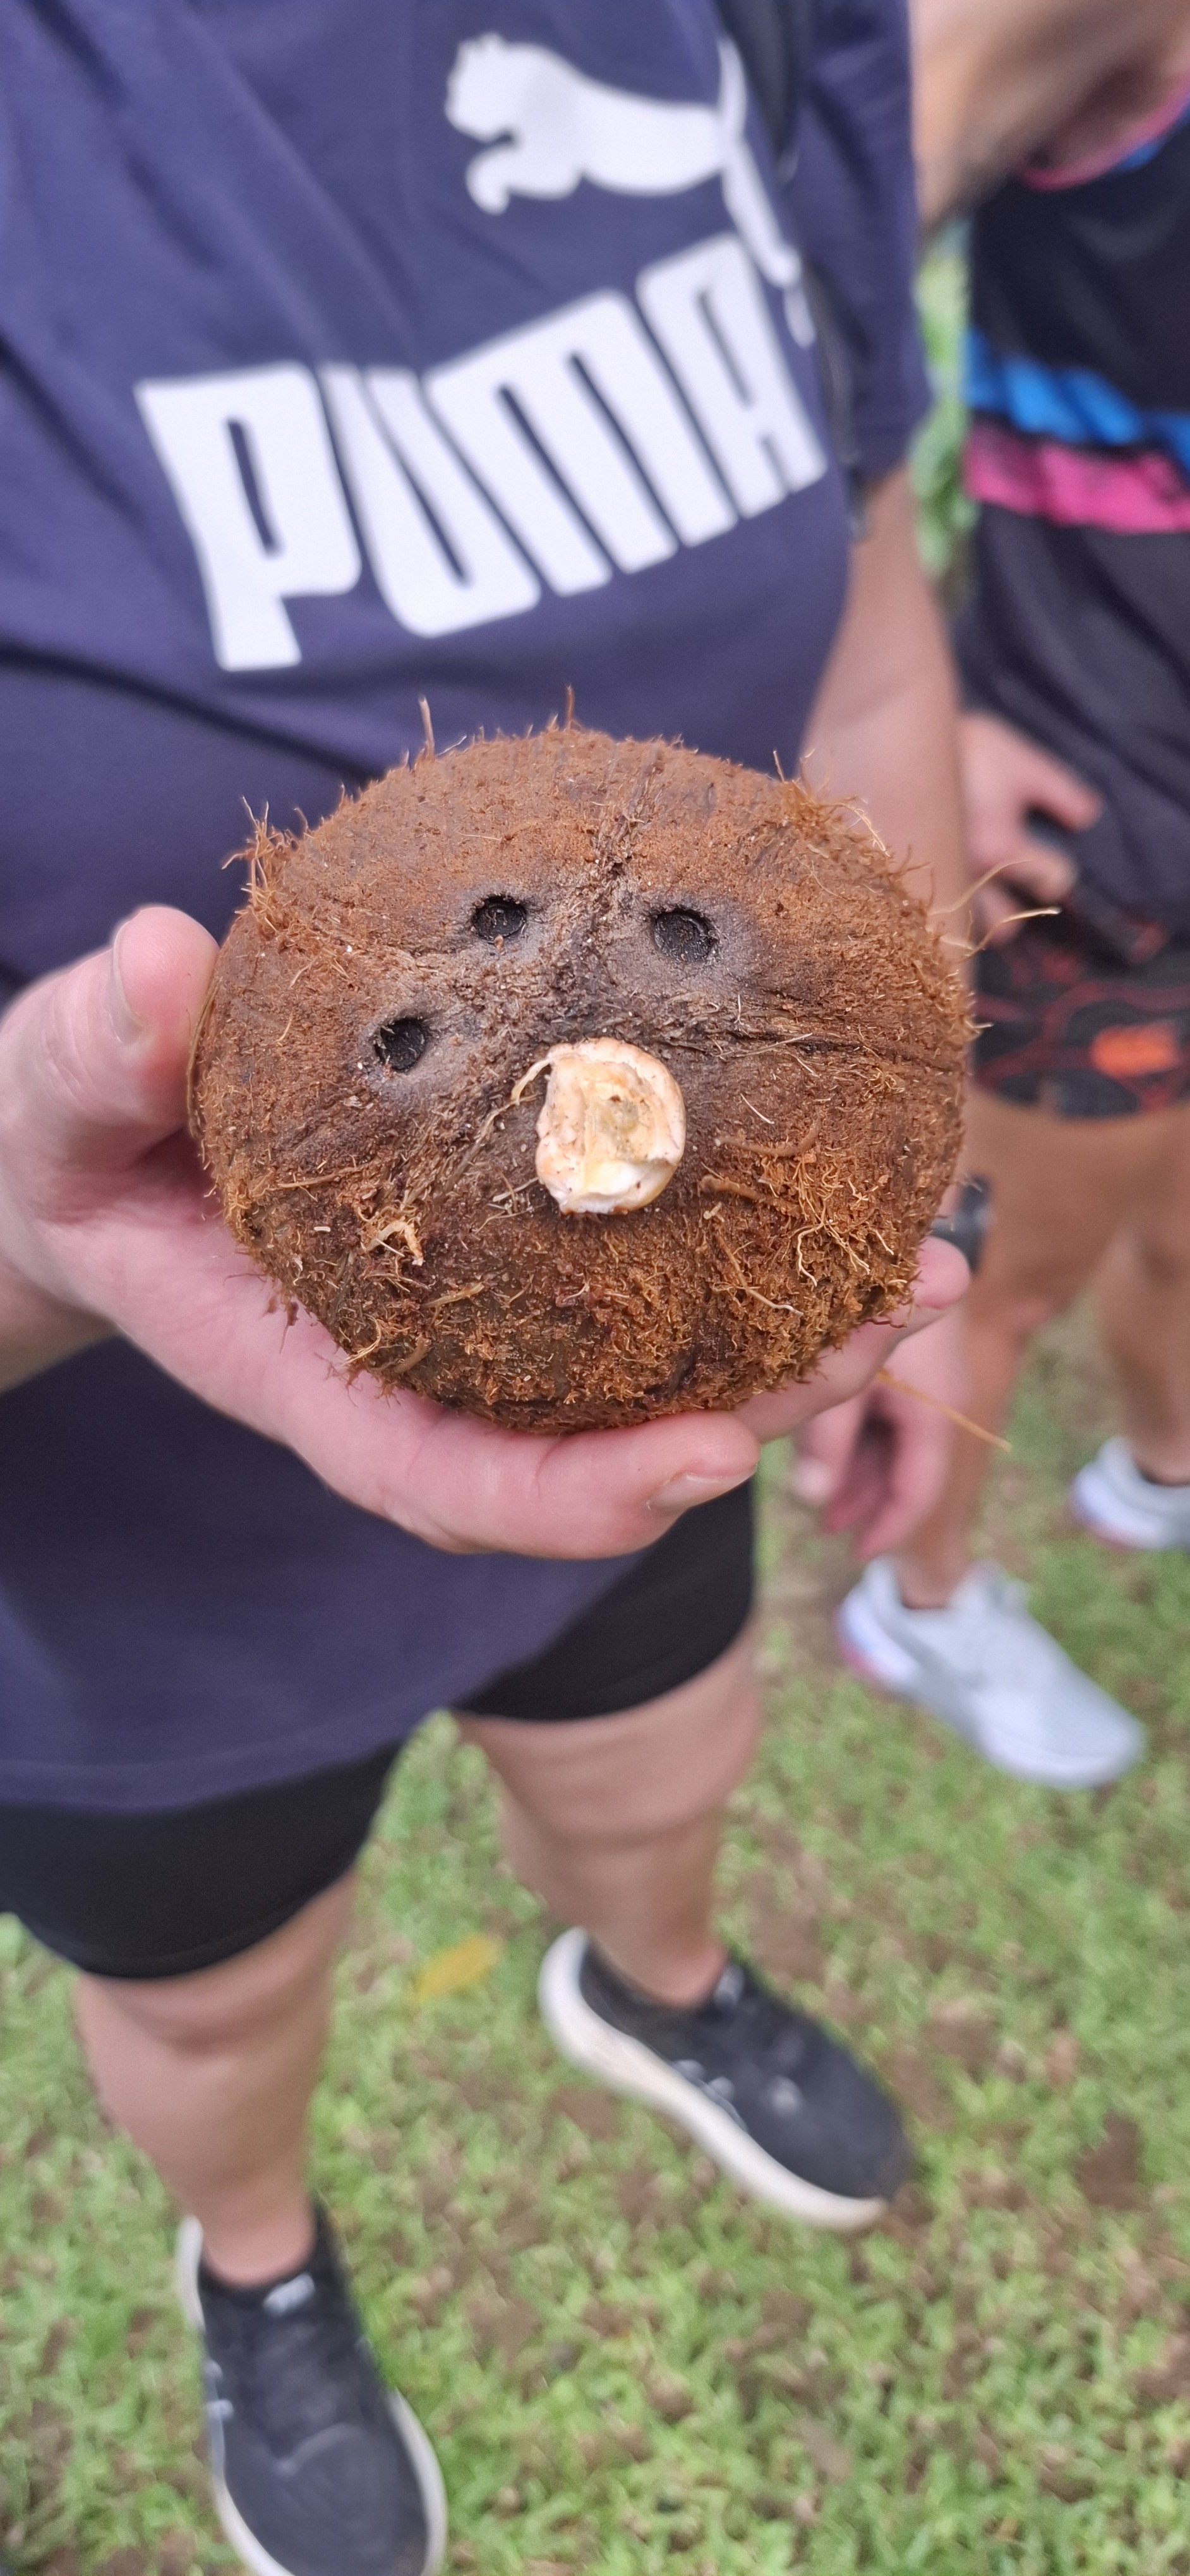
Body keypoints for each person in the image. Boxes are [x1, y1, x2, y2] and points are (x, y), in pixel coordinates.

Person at [0, 5, 968, 2569]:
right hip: (110, 1551)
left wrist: (916, 1210)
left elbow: (869, 626)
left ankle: (655, 1986)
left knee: (660, 1767)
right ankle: (260, 2267)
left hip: (662, 1367)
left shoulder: (758, 26)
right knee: (212, 1998)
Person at [809, 0, 1190, 1786]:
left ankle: (1158, 1471)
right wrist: (897, 700)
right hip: (1101, 834)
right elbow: (761, 318)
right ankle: (926, 1600)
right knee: (991, 1278)